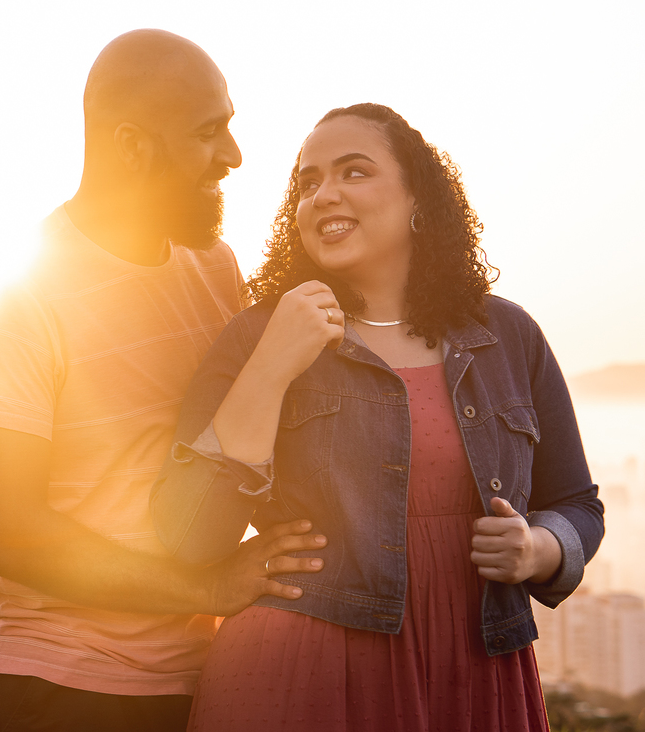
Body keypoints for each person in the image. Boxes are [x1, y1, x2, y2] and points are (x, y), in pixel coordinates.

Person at [152, 103, 604, 731]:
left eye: (354, 172)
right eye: (307, 182)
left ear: (419, 196)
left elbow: (577, 502)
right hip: (298, 676)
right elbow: (189, 535)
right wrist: (269, 367)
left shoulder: (507, 335)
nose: (323, 194)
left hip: (475, 672)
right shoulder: (257, 334)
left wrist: (539, 549)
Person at [0, 29, 328, 732]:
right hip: (51, 693)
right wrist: (206, 584)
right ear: (131, 144)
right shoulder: (15, 293)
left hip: (194, 685)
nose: (235, 156)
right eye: (209, 133)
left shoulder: (214, 267)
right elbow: (0, 529)